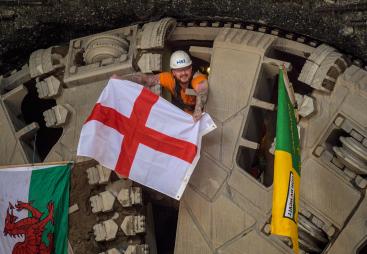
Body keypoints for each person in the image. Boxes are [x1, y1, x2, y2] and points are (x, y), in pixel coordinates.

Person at [115, 50, 209, 121]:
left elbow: (202, 87)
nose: (183, 73)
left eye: (186, 69)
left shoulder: (196, 77)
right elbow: (147, 79)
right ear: (173, 72)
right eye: (179, 70)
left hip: (204, 111)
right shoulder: (169, 79)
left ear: (191, 68)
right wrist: (122, 79)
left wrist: (198, 109)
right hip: (186, 113)